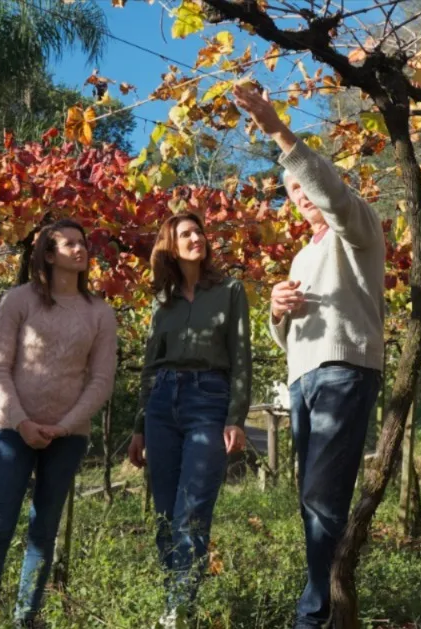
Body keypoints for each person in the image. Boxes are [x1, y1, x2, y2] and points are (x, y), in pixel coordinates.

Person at [234, 85, 385, 629]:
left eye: (306, 183)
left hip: (345, 370)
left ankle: (313, 613)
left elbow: (335, 197)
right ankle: (327, 601)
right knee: (313, 497)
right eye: (291, 188)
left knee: (322, 496)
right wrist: (277, 312)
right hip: (303, 377)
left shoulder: (358, 228)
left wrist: (277, 129)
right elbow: (290, 338)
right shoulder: (302, 253)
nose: (300, 193)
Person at [0, 219, 118, 627]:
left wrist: (66, 425)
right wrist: (21, 421)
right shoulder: (18, 301)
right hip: (13, 431)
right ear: (48, 255)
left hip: (68, 436)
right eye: (68, 244)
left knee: (43, 530)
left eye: (82, 243)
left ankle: (26, 617)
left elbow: (101, 380)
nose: (79, 249)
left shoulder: (100, 313)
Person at [128, 211, 251, 629]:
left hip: (209, 399)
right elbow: (148, 367)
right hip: (162, 402)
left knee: (193, 509)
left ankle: (179, 609)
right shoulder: (161, 301)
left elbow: (241, 358)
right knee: (165, 511)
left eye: (199, 231)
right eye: (185, 233)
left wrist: (236, 417)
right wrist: (139, 426)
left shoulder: (230, 290)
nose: (196, 237)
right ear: (171, 245)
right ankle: (172, 598)